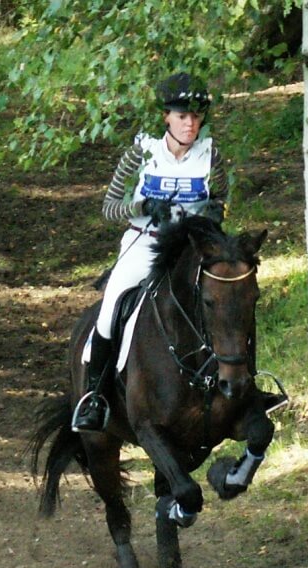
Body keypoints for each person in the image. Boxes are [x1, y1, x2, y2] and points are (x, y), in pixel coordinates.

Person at [72, 71, 229, 432]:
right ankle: (94, 397)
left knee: (231, 299)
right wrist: (142, 206)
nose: (190, 124)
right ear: (166, 117)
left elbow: (220, 199)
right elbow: (109, 207)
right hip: (146, 242)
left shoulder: (211, 157)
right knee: (111, 308)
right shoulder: (141, 154)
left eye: (195, 116)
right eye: (182, 116)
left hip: (191, 249)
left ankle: (244, 386)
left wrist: (214, 215)